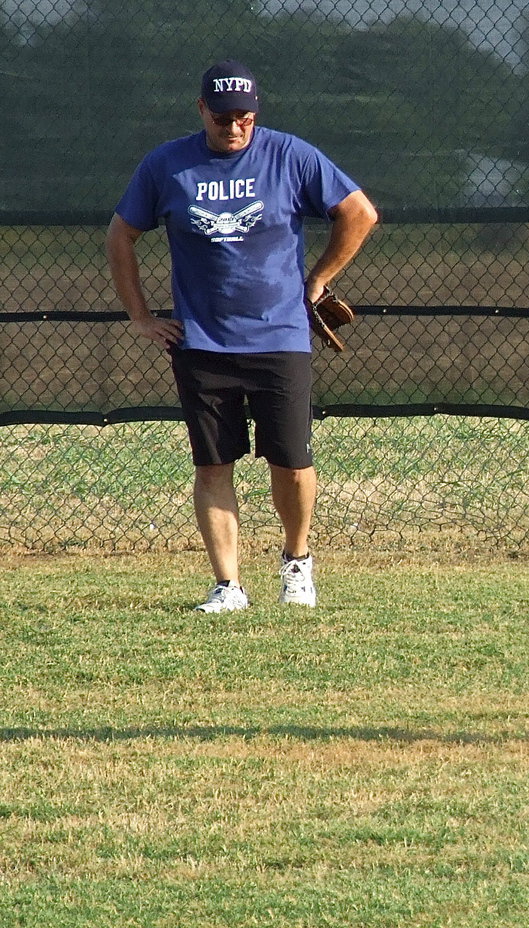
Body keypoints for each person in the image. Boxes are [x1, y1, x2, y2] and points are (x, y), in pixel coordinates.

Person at [105, 59, 378, 612]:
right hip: (202, 341)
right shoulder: (167, 164)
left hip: (280, 336)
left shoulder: (289, 155)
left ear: (256, 113)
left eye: (244, 116)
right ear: (201, 109)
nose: (234, 127)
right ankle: (227, 585)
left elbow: (359, 212)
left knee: (292, 462)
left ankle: (297, 563)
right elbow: (121, 234)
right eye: (223, 115)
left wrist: (319, 280)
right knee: (212, 464)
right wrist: (140, 316)